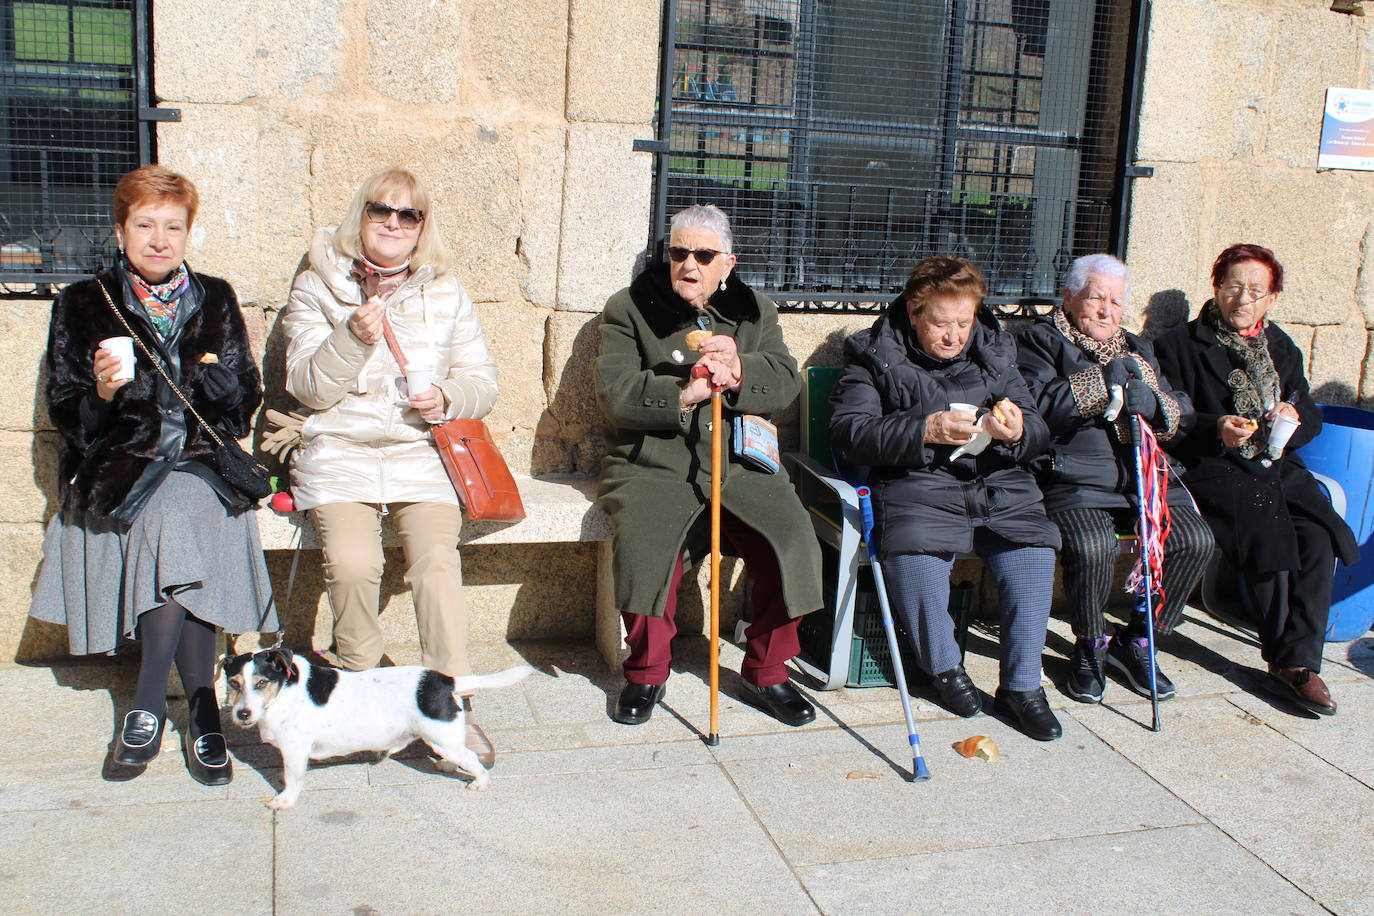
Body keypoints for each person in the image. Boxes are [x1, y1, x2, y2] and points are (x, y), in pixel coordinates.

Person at [30, 165, 275, 785]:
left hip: (200, 461)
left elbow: (246, 400)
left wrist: (224, 390)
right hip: (123, 463)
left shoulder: (214, 296)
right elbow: (68, 413)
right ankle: (202, 716)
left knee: (181, 509)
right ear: (121, 231)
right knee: (172, 518)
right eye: (145, 225)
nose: (159, 239)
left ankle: (145, 708)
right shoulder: (83, 302)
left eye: (173, 226)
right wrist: (105, 395)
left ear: (188, 232)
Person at [280, 168, 501, 760]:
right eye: (382, 211)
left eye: (410, 215)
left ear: (423, 226)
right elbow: (306, 387)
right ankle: (358, 691)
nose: (394, 224)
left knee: (435, 563)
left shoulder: (445, 291)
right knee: (354, 563)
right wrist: (351, 336)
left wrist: (448, 397)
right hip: (340, 452)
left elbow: (482, 382)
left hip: (418, 451)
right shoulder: (317, 285)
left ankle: (451, 704)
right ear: (362, 215)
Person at [596, 204, 824, 727]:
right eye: (679, 253)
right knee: (649, 547)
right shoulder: (629, 308)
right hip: (654, 461)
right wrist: (687, 390)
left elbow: (785, 380)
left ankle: (767, 671)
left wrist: (741, 366)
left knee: (791, 544)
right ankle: (646, 673)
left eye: (704, 255)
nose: (689, 265)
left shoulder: (754, 311)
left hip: (739, 461)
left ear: (727, 263)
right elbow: (614, 393)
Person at [828, 255, 1064, 741]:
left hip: (998, 481)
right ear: (914, 312)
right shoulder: (874, 354)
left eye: (964, 321)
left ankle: (1022, 687)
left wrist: (1017, 431)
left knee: (1032, 549)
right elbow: (849, 433)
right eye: (940, 323)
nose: (954, 335)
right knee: (914, 555)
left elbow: (1038, 426)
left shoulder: (996, 351)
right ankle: (943, 668)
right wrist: (926, 429)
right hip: (916, 482)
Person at [1155, 244, 1358, 716]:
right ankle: (1290, 665)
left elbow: (1307, 407)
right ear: (1217, 288)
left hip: (1275, 466)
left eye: (1255, 291)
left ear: (1272, 298)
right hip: (1216, 467)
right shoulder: (1180, 347)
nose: (1242, 299)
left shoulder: (1279, 345)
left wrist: (1294, 416)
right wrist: (1215, 427)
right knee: (1267, 532)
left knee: (1316, 536)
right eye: (1233, 287)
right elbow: (1170, 418)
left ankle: (1301, 662)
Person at [1016, 254, 1215, 704]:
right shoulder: (1037, 340)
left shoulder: (1138, 348)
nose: (1107, 310)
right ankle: (1090, 646)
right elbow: (1039, 407)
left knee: (1195, 540)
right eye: (1096, 298)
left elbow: (1178, 417)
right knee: (1091, 546)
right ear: (1070, 297)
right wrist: (1099, 383)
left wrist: (1158, 405)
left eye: (1116, 302)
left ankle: (1140, 640)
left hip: (1145, 476)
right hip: (1074, 476)